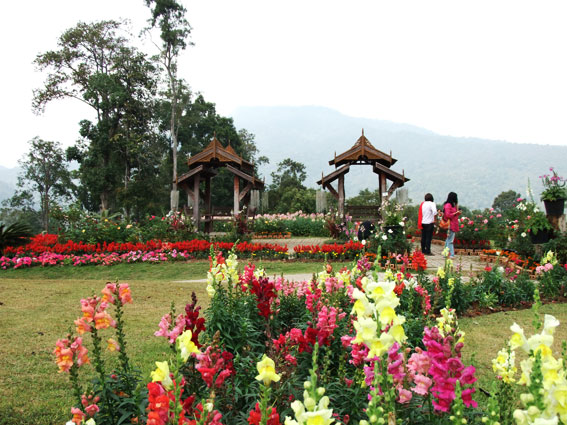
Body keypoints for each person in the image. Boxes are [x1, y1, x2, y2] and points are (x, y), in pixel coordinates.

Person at [443, 192, 462, 258]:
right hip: (450, 225)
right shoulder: (448, 205)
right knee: (450, 240)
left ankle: (445, 253)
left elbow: (455, 212)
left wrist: (457, 210)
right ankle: (451, 254)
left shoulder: (452, 205)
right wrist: (455, 213)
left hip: (453, 224)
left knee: (448, 240)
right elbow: (447, 215)